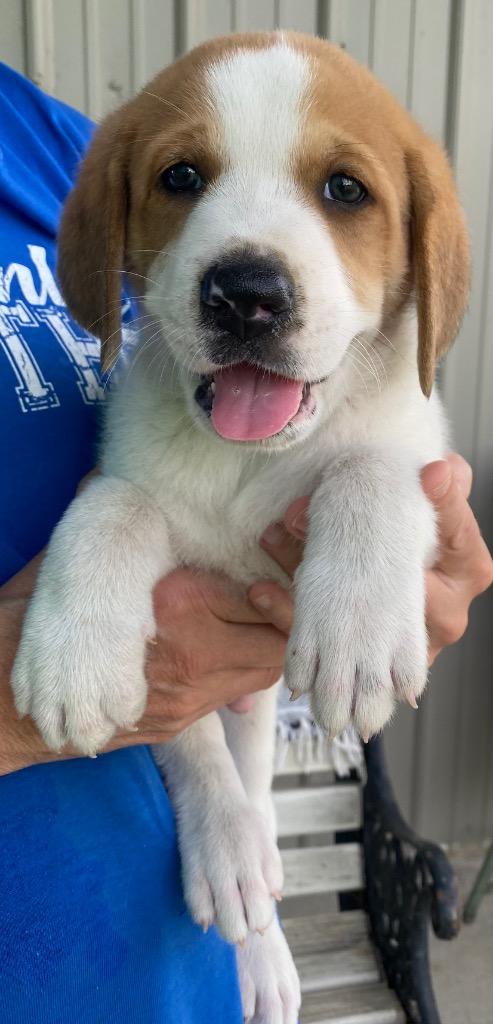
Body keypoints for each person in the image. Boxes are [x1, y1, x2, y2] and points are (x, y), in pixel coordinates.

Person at [0, 60, 491, 1024]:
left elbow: (394, 480)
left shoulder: (42, 134)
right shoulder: (102, 166)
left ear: (423, 267)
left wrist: (379, 512)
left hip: (175, 971)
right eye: (185, 180)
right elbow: (135, 502)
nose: (248, 273)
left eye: (343, 189)